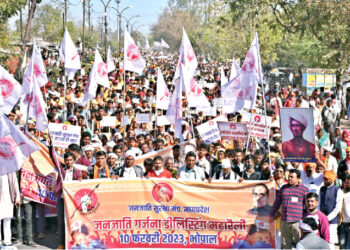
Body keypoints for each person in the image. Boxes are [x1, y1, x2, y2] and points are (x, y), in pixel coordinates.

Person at [270, 169, 309, 249]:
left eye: (292, 177)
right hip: (284, 222)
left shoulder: (304, 190)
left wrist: (304, 219)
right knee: (286, 245)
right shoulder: (283, 188)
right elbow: (277, 202)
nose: (289, 178)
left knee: (301, 244)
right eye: (288, 177)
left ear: (298, 178)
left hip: (297, 223)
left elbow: (307, 206)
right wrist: (272, 214)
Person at [54, 152, 82, 249]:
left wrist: (79, 180)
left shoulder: (77, 171)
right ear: (64, 161)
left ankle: (74, 243)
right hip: (62, 200)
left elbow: (80, 184)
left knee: (74, 222)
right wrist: (50, 148)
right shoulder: (62, 170)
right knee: (61, 222)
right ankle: (62, 243)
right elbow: (54, 159)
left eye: (71, 160)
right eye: (67, 160)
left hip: (73, 202)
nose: (69, 162)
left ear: (73, 161)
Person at [319, 170, 344, 250]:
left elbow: (338, 208)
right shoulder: (322, 189)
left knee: (330, 242)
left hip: (332, 222)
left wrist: (327, 218)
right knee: (321, 241)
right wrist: (320, 217)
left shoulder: (338, 191)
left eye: (326, 179)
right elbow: (319, 204)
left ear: (331, 180)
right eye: (324, 179)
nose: (324, 180)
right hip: (321, 220)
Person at [0, 173, 20, 247]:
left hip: (9, 198)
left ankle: (7, 241)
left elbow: (15, 183)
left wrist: (17, 197)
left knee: (7, 220)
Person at [338, 174, 350, 249]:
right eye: (347, 182)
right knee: (342, 245)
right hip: (342, 223)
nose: (348, 184)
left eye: (349, 183)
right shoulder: (341, 192)